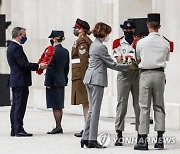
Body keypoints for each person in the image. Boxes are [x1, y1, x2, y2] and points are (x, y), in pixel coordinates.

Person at [81, 22, 130, 149]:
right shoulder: (100, 47)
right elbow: (112, 64)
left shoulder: (94, 45)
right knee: (95, 110)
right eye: (108, 32)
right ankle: (91, 139)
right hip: (96, 80)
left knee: (92, 110)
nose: (108, 35)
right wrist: (129, 67)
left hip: (89, 78)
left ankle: (85, 137)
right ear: (104, 33)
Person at [134, 13, 172, 150]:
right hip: (159, 74)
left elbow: (137, 58)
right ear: (159, 26)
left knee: (144, 107)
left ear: (148, 25)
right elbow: (167, 58)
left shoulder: (141, 42)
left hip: (145, 74)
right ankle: (160, 139)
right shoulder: (165, 42)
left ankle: (143, 139)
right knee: (159, 106)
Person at [7, 27, 47, 137]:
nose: (25, 37)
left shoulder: (12, 46)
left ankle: (14, 129)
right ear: (18, 36)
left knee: (15, 106)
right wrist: (39, 66)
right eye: (24, 35)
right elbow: (23, 64)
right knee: (19, 106)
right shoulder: (15, 48)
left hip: (16, 80)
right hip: (20, 81)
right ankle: (18, 129)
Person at [112, 20, 140, 146]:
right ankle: (119, 133)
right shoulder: (117, 42)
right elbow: (118, 60)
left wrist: (135, 62)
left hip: (137, 74)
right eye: (125, 29)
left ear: (134, 29)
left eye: (130, 29)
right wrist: (128, 63)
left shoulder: (139, 41)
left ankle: (141, 133)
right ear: (123, 30)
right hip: (124, 74)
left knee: (139, 104)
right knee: (121, 103)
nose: (128, 31)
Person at [44, 30, 69, 134]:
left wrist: (47, 82)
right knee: (59, 104)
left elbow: (50, 68)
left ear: (54, 39)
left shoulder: (52, 51)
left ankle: (58, 126)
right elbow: (66, 68)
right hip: (61, 80)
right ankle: (59, 125)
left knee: (55, 105)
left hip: (53, 81)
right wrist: (65, 79)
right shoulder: (65, 51)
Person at [71, 18, 92, 137]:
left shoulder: (82, 42)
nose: (75, 30)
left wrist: (85, 78)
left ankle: (88, 129)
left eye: (77, 28)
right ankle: (87, 127)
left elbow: (83, 61)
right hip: (79, 74)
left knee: (86, 102)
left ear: (82, 30)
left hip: (81, 75)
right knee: (85, 103)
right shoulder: (80, 40)